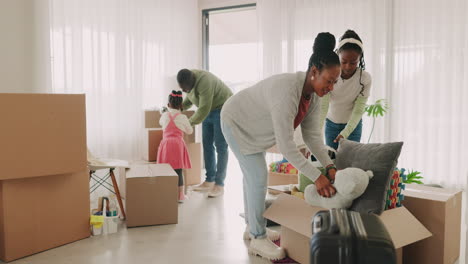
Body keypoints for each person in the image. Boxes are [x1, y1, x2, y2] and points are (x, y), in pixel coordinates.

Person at [220, 32, 340, 260]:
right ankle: (257, 237)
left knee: (252, 178)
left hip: (253, 128)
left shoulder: (313, 95)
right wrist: (317, 177)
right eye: (329, 81)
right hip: (236, 120)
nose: (331, 87)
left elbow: (313, 137)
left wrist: (329, 166)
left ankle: (252, 227)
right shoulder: (287, 92)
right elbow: (287, 147)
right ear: (314, 72)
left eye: (335, 82)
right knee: (257, 177)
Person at [177, 69, 233, 197]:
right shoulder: (188, 83)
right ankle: (209, 180)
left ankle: (219, 184)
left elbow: (203, 109)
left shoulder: (204, 82)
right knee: (207, 145)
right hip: (208, 110)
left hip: (222, 108)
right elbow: (189, 101)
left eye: (185, 89)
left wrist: (187, 124)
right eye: (182, 89)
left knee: (221, 146)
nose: (185, 91)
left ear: (192, 83)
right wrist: (176, 108)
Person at [320, 29, 372, 150]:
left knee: (350, 163)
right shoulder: (329, 74)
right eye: (343, 61)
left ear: (360, 59)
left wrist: (346, 132)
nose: (348, 67)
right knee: (331, 162)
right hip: (331, 124)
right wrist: (316, 133)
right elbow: (323, 107)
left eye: (353, 62)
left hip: (353, 126)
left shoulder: (364, 78)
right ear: (337, 55)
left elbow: (358, 110)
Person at [157, 91, 193, 203]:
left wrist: (165, 112)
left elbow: (160, 123)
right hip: (177, 144)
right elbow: (190, 131)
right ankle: (180, 196)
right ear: (181, 106)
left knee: (165, 169)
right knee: (178, 170)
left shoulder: (164, 116)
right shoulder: (182, 117)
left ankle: (165, 192)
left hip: (166, 144)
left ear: (168, 105)